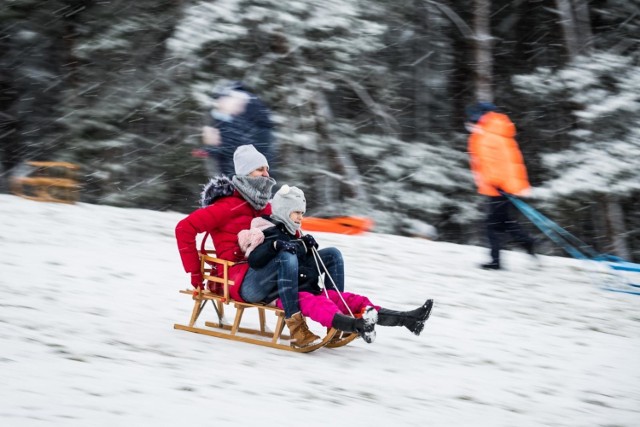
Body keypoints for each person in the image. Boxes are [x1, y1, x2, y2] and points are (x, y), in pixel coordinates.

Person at [238, 184, 435, 346]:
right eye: (296, 212)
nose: (300, 217)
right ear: (283, 211)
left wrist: (306, 248)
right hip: (279, 293)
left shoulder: (295, 234)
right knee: (316, 302)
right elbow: (255, 260)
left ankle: (407, 319)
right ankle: (348, 325)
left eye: (302, 213)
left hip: (303, 286)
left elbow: (302, 266)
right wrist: (274, 245)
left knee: (350, 293)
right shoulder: (265, 231)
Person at [176, 144, 324, 348]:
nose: (266, 174)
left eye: (267, 168)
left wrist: (301, 240)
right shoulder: (225, 207)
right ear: (246, 173)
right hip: (236, 280)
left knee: (325, 256)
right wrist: (195, 274)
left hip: (264, 269)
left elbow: (288, 230)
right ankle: (298, 328)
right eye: (260, 169)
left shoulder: (266, 207)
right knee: (286, 257)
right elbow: (184, 229)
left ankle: (337, 315)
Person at [466, 102, 536, 270]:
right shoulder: (495, 130)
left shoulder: (488, 134)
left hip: (498, 186)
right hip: (502, 185)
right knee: (504, 222)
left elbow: (494, 162)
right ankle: (527, 243)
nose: (471, 119)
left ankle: (496, 260)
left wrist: (496, 182)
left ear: (482, 115)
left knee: (493, 224)